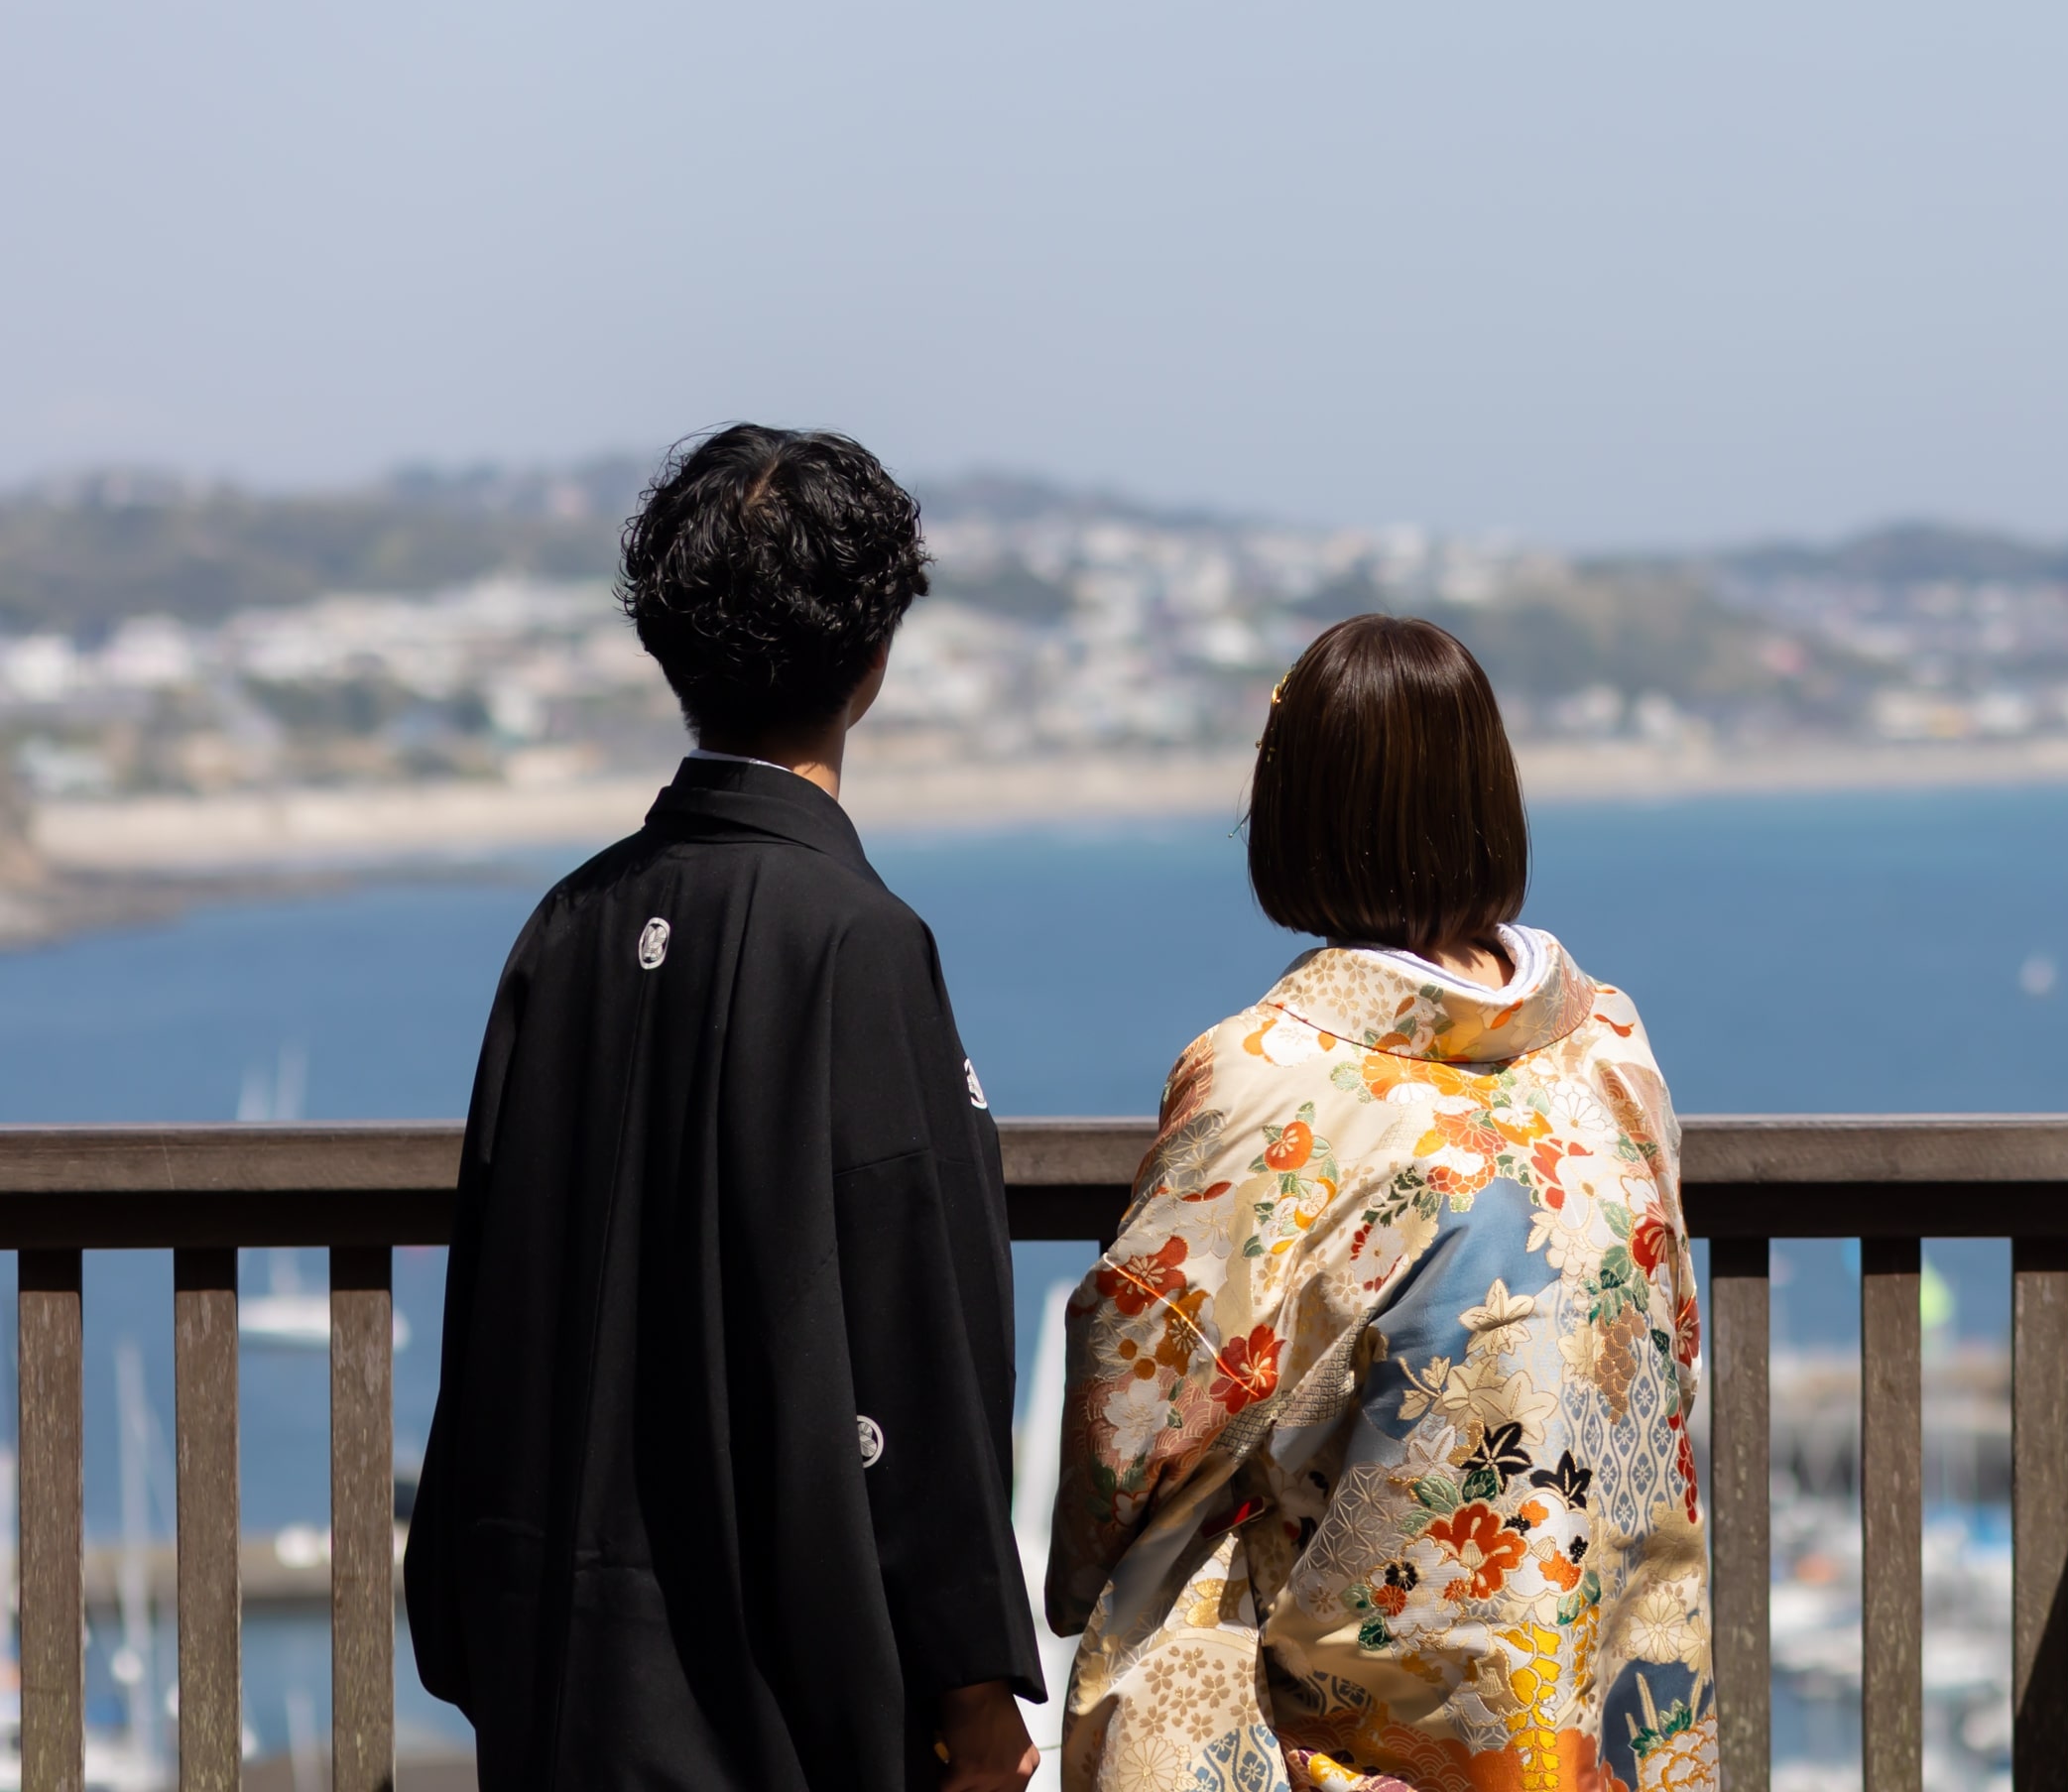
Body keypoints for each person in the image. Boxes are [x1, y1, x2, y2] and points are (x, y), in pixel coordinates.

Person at [407, 425, 1043, 1791]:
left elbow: (491, 1300)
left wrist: (473, 1617)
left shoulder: (567, 925)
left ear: (668, 651)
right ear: (873, 664)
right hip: (775, 1688)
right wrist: (973, 1685)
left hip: (564, 1668)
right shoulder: (856, 941)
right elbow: (908, 1333)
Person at [1046, 616, 1715, 1792]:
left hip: (1344, 1739)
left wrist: (1076, 1568)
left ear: (1297, 814)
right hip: (1574, 1705)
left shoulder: (1269, 1076)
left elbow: (1142, 1399)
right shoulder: (1609, 1044)